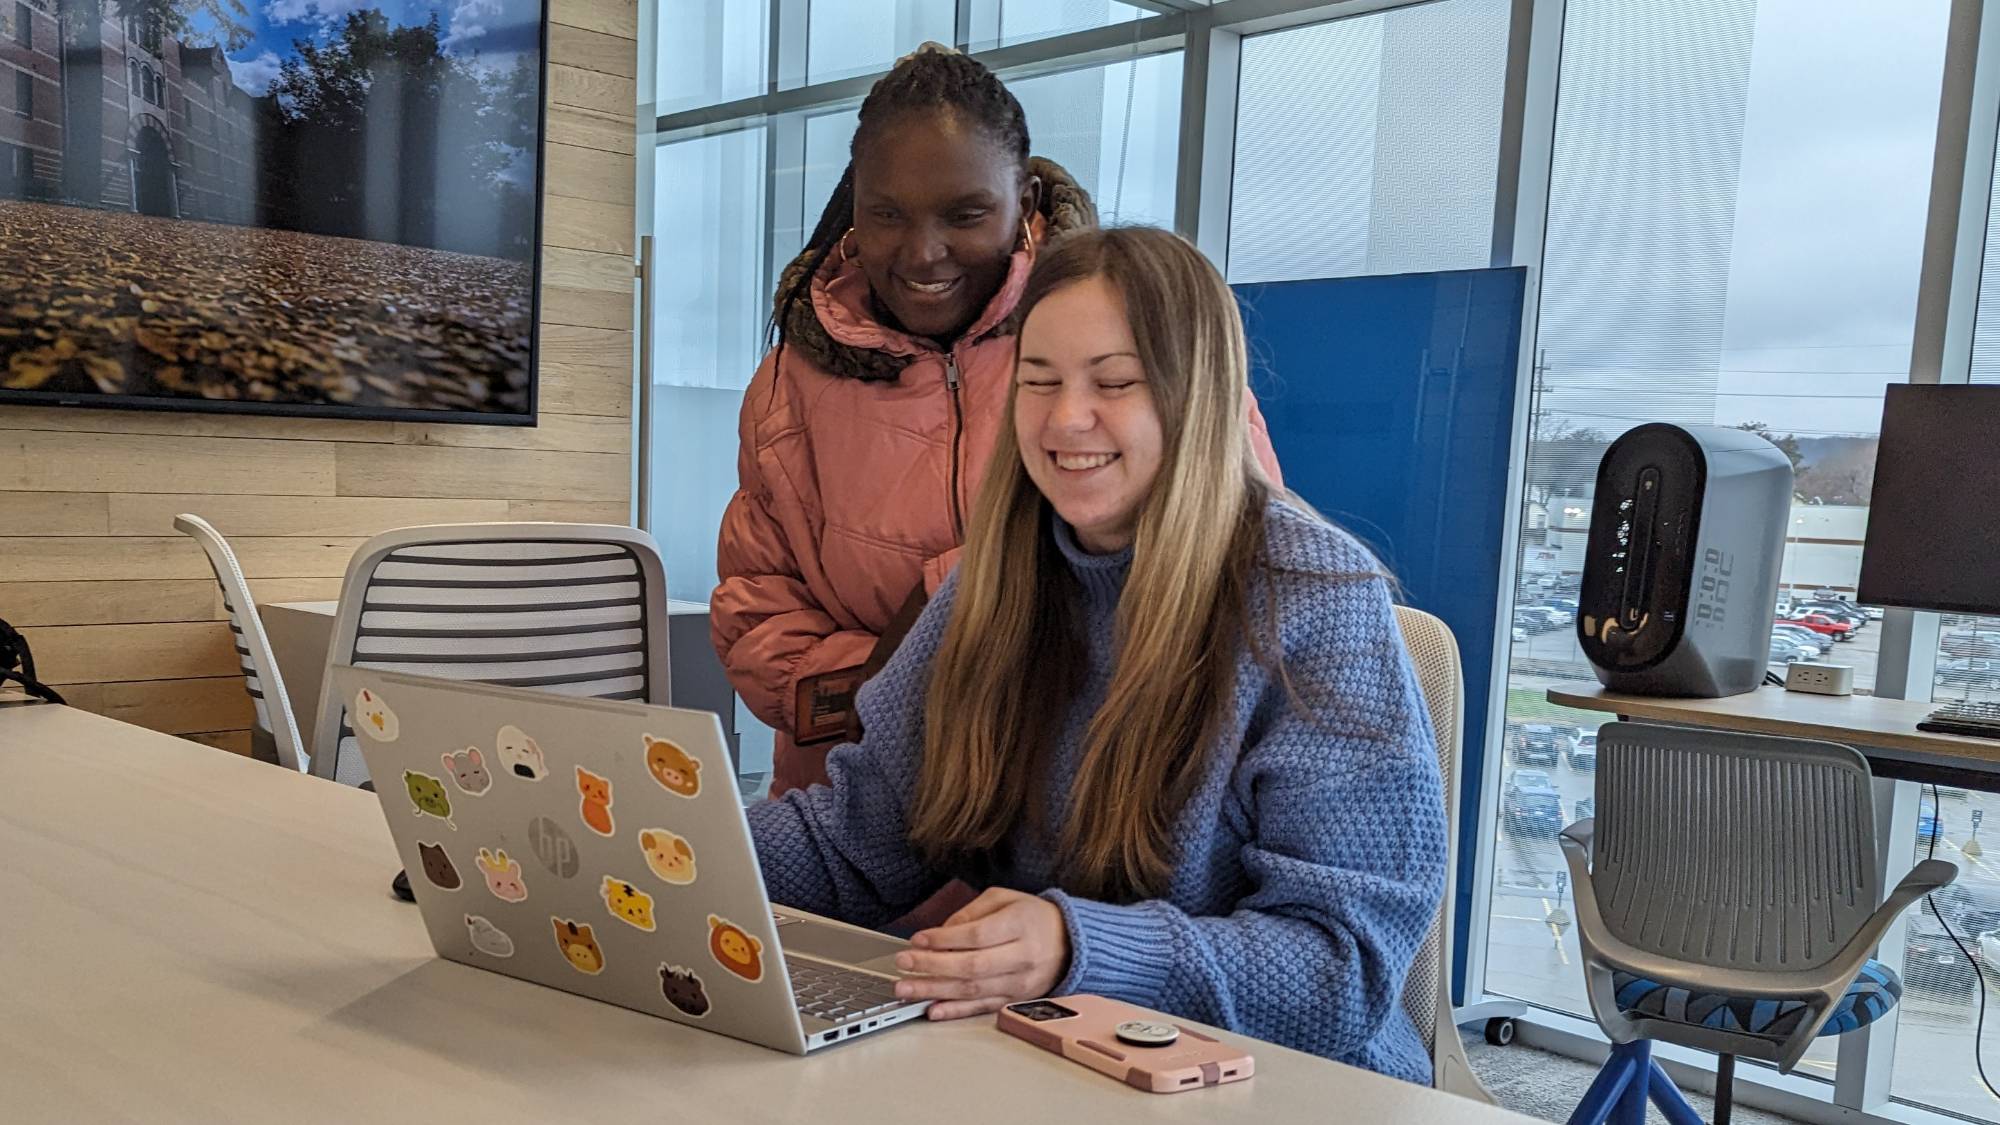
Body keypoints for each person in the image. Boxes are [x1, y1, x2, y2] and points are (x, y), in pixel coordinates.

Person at [747, 226, 1448, 1081]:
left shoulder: (1315, 597)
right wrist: (677, 842)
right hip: (1062, 1067)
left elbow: (1345, 968)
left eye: (1114, 382)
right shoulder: (993, 581)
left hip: (1290, 1085)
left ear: (1195, 395)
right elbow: (862, 840)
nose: (1065, 418)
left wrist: (1078, 945)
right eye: (1038, 381)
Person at [711, 45, 1282, 797]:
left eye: (966, 214)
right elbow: (758, 621)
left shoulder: (1147, 336)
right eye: (887, 214)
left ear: (1024, 199)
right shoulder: (789, 384)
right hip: (860, 807)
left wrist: (957, 594)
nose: (923, 253)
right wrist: (900, 683)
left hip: (1085, 809)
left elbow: (1231, 559)